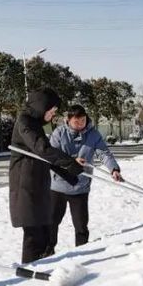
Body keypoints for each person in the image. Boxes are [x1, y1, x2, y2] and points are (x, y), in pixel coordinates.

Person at [8, 89, 84, 263]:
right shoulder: (25, 122)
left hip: (37, 185)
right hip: (25, 186)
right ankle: (31, 270)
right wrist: (69, 163)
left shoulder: (35, 124)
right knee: (34, 235)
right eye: (52, 110)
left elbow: (44, 157)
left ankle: (44, 265)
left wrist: (70, 172)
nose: (53, 114)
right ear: (41, 106)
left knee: (44, 233)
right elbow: (42, 149)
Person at [47, 104, 122, 253]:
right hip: (58, 186)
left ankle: (82, 253)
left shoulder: (93, 134)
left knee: (81, 225)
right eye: (76, 121)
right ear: (68, 120)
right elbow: (51, 155)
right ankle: (48, 251)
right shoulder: (59, 133)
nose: (80, 124)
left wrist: (114, 169)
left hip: (80, 186)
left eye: (83, 120)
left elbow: (104, 153)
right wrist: (71, 161)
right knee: (52, 222)